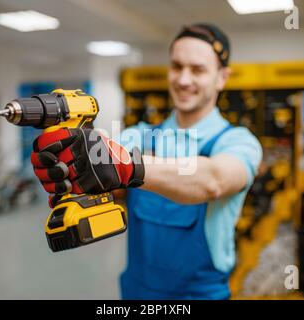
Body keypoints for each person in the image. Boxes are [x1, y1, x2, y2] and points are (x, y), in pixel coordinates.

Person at [31, 23, 262, 300]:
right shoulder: (137, 136)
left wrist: (129, 167)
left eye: (198, 69)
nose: (184, 79)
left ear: (222, 77)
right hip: (137, 292)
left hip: (199, 295)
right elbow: (108, 183)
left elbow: (214, 180)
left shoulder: (238, 141)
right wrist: (70, 168)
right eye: (177, 66)